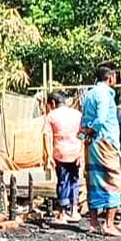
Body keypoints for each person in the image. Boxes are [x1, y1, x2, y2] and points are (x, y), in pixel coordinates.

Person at [82, 65, 121, 236]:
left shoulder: (90, 94)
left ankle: (93, 223)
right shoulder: (105, 95)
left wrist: (87, 133)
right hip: (105, 141)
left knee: (94, 179)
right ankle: (109, 224)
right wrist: (93, 130)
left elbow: (85, 118)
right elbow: (100, 119)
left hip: (93, 143)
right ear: (111, 78)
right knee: (113, 180)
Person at [44, 92, 84, 222]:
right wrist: (81, 152)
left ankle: (62, 213)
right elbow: (83, 134)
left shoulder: (51, 116)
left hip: (60, 153)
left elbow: (47, 136)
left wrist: (48, 155)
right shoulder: (77, 115)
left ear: (53, 103)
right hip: (76, 152)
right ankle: (74, 211)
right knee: (74, 180)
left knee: (62, 181)